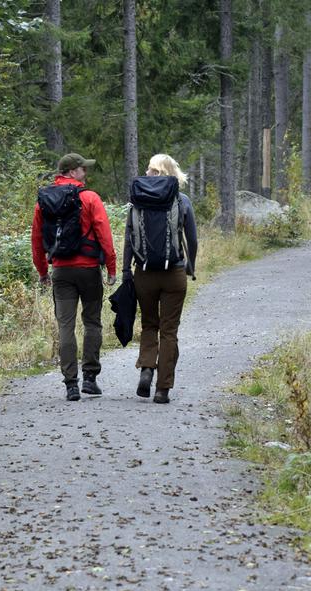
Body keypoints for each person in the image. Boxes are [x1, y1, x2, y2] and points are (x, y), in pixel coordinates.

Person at [32, 153, 117, 401]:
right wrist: (111, 267)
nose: (85, 173)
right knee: (92, 322)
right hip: (89, 269)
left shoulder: (44, 201)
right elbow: (104, 235)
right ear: (71, 171)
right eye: (82, 169)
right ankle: (90, 378)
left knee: (66, 326)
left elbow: (37, 240)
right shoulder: (90, 198)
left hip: (61, 271)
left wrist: (42, 271)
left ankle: (71, 384)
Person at [122, 153, 198, 404]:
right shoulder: (182, 200)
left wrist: (125, 271)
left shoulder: (137, 200)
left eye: (149, 168)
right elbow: (192, 239)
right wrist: (190, 265)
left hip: (144, 273)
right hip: (174, 273)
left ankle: (146, 369)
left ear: (157, 172)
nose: (146, 172)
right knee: (169, 331)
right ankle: (162, 389)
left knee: (149, 324)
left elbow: (129, 239)